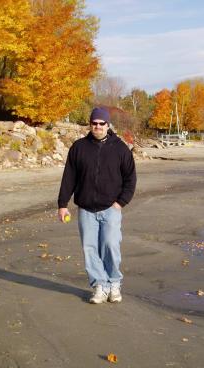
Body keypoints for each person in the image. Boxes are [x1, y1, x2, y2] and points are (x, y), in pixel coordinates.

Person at [58, 107, 136, 304]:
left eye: (102, 123)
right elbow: (69, 177)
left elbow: (130, 177)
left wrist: (121, 202)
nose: (98, 127)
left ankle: (114, 283)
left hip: (111, 208)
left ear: (108, 125)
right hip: (86, 209)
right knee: (90, 248)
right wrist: (62, 204)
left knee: (110, 245)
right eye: (94, 123)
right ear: (90, 124)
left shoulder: (120, 148)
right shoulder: (79, 147)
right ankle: (100, 286)